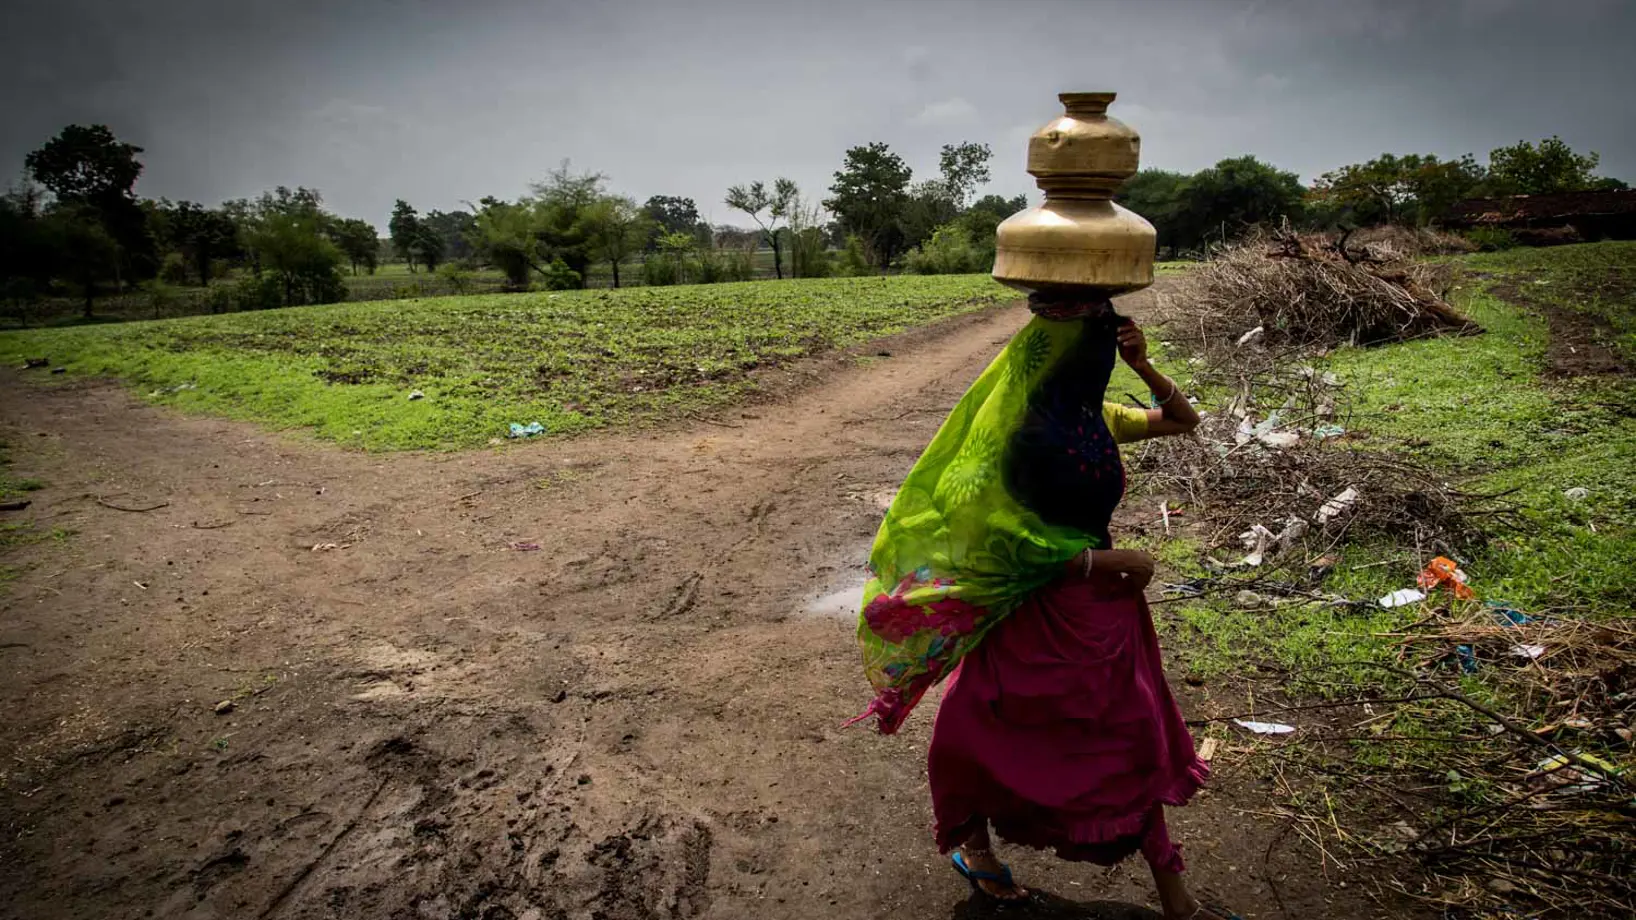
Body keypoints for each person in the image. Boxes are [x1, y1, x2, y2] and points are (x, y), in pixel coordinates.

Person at [851, 293, 1234, 920]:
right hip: (1035, 609)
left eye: (1111, 343)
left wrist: (1146, 368)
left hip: (1102, 616)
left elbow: (1183, 421)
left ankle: (1178, 900)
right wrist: (1095, 562)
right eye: (1099, 343)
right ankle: (976, 850)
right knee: (978, 730)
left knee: (1126, 738)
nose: (1103, 353)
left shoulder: (1095, 416)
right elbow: (987, 532)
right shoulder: (1020, 430)